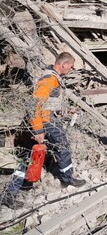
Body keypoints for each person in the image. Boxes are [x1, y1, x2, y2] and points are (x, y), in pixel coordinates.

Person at [0, 52, 86, 209]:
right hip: (44, 123)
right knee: (63, 147)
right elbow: (35, 106)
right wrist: (38, 129)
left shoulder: (53, 78)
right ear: (63, 64)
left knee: (30, 157)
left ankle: (9, 193)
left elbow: (48, 104)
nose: (71, 69)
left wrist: (65, 111)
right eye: (71, 66)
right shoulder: (48, 80)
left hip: (45, 120)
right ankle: (67, 178)